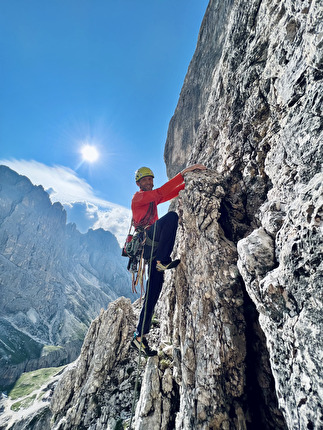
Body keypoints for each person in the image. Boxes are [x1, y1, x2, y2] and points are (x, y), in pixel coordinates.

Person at [131, 163, 206, 357]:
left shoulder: (150, 199)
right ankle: (163, 260)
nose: (149, 182)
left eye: (150, 179)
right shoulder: (138, 197)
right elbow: (159, 194)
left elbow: (165, 195)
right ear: (139, 183)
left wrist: (187, 184)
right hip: (149, 241)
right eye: (145, 180)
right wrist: (183, 174)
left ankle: (140, 336)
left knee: (154, 291)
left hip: (151, 247)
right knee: (172, 217)